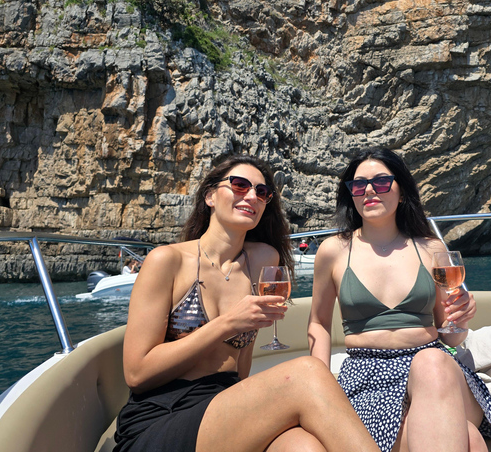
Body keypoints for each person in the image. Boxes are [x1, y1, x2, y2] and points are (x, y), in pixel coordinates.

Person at [113, 154, 379, 452]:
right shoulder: (167, 260)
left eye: (262, 192)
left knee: (303, 447)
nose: (252, 195)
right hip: (162, 414)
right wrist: (228, 323)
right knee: (306, 373)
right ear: (210, 196)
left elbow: (241, 367)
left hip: (223, 404)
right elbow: (137, 375)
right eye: (240, 185)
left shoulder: (264, 261)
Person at [308, 147, 491, 452]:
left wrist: (461, 320)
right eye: (358, 185)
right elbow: (318, 323)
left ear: (402, 192)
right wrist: (321, 383)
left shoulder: (431, 248)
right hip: (368, 376)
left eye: (381, 182)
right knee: (469, 440)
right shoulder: (333, 251)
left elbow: (452, 336)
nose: (369, 190)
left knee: (431, 361)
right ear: (351, 196)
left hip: (436, 371)